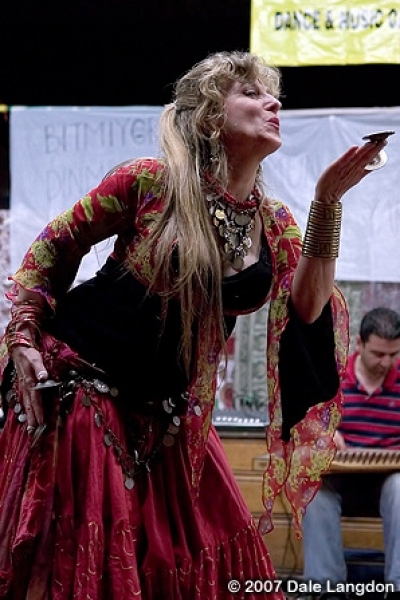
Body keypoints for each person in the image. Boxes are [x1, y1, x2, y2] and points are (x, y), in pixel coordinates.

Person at [0, 50, 386, 600]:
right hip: (85, 393)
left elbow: (307, 308)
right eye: (251, 93)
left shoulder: (271, 221)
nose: (272, 103)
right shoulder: (149, 183)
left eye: (272, 93)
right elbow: (53, 248)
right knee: (87, 565)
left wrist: (327, 203)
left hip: (170, 415)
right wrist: (22, 336)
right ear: (209, 116)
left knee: (212, 552)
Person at [302, 307, 400, 600]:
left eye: (393, 355)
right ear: (359, 344)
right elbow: (304, 424)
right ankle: (326, 590)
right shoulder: (333, 378)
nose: (386, 363)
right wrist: (323, 433)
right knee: (313, 491)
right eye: (378, 354)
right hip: (342, 480)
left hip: (389, 483)